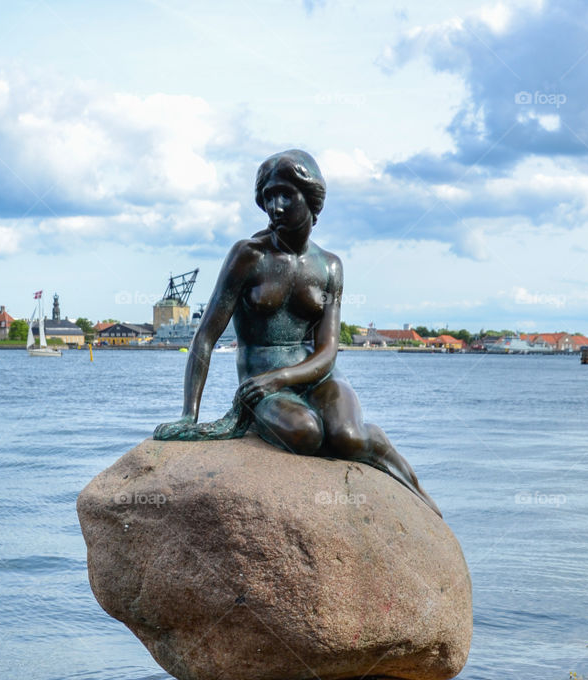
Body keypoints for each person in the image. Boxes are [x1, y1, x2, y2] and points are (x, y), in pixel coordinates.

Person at [155, 149, 440, 514]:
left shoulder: (330, 266)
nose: (275, 206)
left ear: (311, 198)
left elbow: (328, 351)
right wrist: (188, 415)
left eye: (285, 195)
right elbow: (205, 337)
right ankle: (265, 421)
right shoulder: (248, 256)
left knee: (348, 437)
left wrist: (283, 378)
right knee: (306, 434)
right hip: (260, 380)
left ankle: (416, 495)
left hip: (317, 375)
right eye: (268, 197)